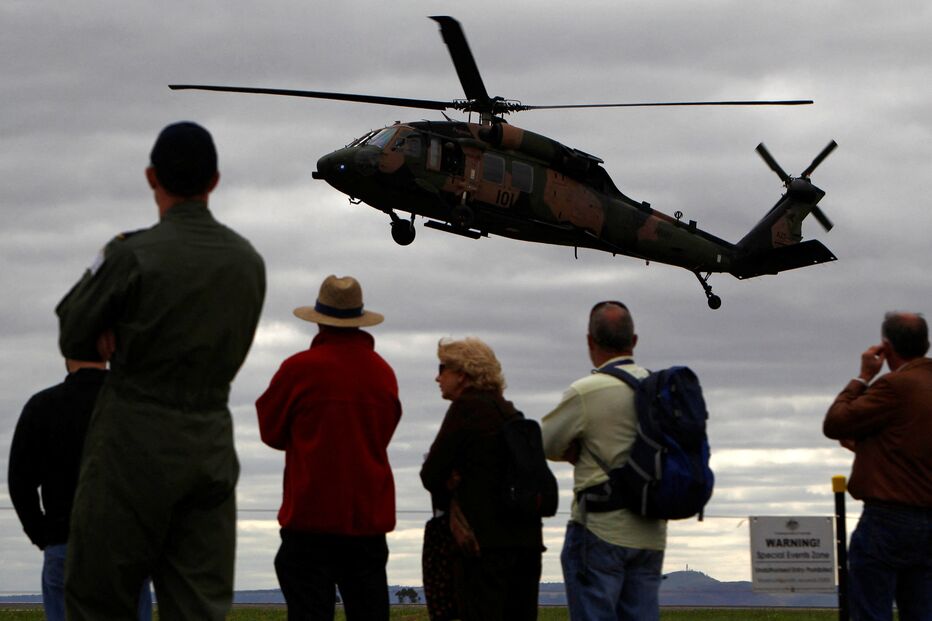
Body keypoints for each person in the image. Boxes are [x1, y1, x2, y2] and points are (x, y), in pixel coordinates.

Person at [56, 121, 266, 620]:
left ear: (152, 177)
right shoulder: (247, 261)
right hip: (210, 441)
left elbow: (73, 331)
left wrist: (113, 328)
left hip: (132, 438)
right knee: (199, 604)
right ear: (214, 181)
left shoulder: (130, 254)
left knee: (98, 597)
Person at [256, 275, 401, 621]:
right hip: (366, 520)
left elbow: (271, 432)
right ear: (359, 319)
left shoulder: (298, 369)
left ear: (319, 320)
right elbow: (383, 433)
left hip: (309, 518)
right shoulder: (383, 373)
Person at [541, 301, 666, 621]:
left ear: (589, 341)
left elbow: (547, 444)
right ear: (634, 341)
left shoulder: (586, 392)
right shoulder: (661, 389)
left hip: (598, 527)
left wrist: (578, 450)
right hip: (651, 531)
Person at [8, 358, 152, 621]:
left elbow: (20, 482)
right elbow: (160, 478)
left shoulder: (42, 407)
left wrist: (45, 536)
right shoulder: (138, 406)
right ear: (107, 350)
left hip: (65, 544)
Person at [420, 337, 543, 621]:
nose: (438, 377)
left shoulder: (465, 410)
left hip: (483, 547)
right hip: (526, 542)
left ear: (462, 374)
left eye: (443, 368)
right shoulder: (509, 411)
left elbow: (431, 474)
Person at [823, 311, 932, 621]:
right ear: (926, 344)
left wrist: (862, 377)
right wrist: (870, 448)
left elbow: (836, 423)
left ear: (886, 347)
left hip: (888, 519)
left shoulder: (893, 387)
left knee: (871, 611)